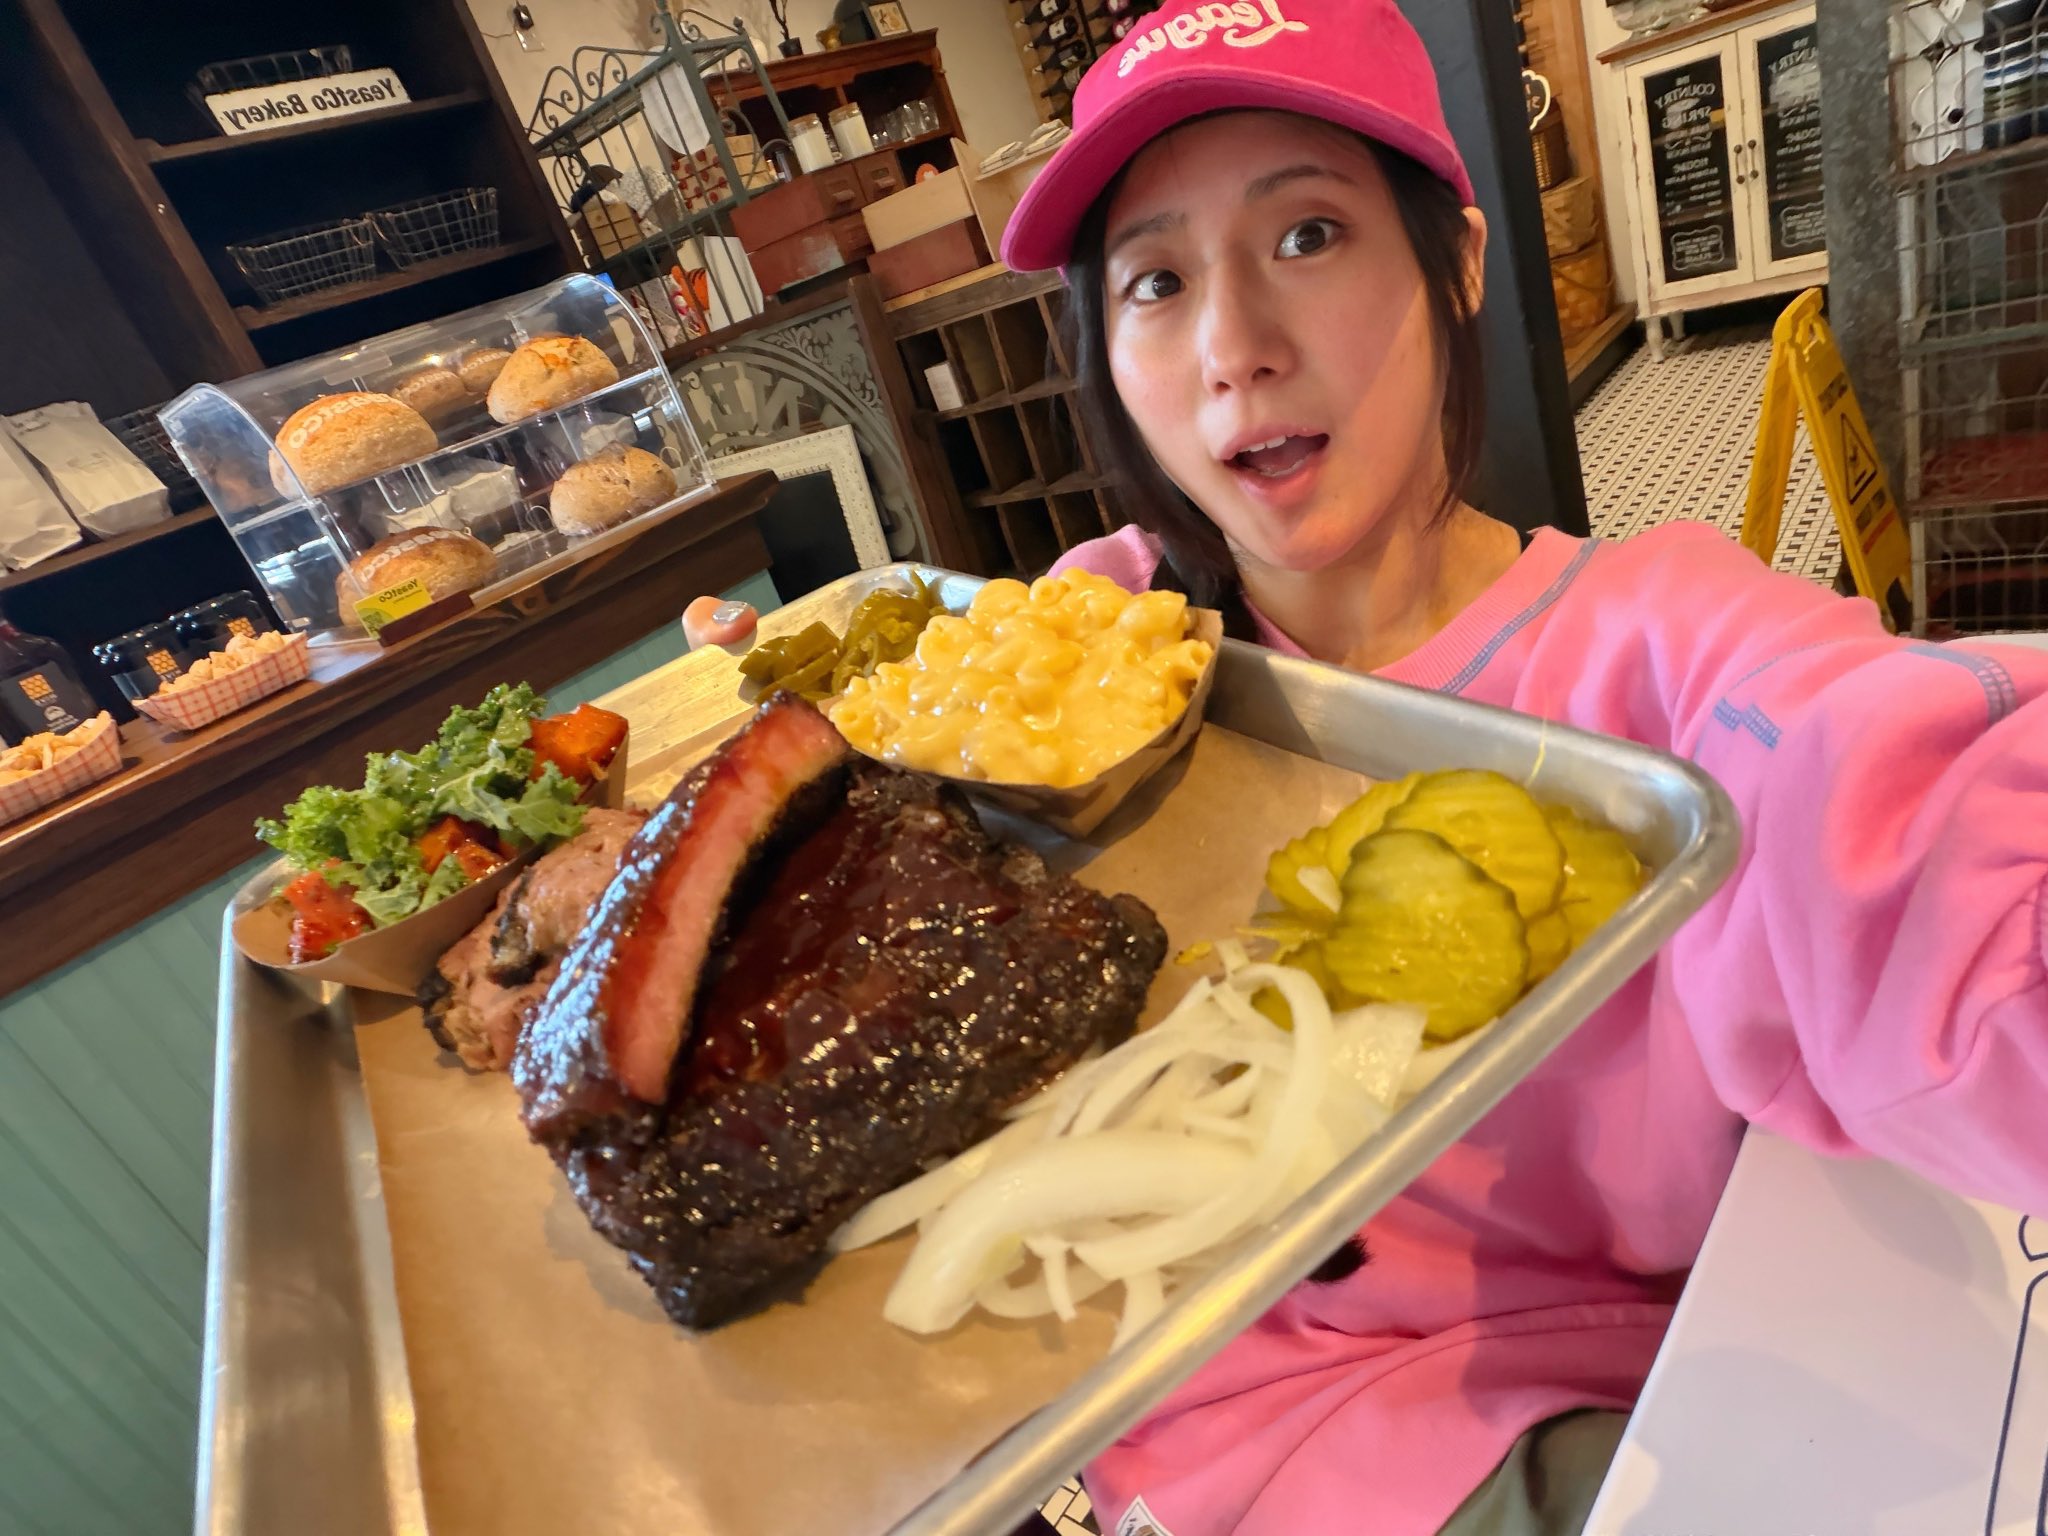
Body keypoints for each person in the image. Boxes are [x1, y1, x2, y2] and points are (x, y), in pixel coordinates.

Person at [685, 2, 2048, 1530]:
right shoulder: (1087, 640)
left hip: (1556, 1404)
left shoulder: (1673, 652)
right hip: (1180, 1423)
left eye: (1310, 235)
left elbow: (1905, 825)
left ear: (1457, 262)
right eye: (1155, 281)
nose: (1234, 351)